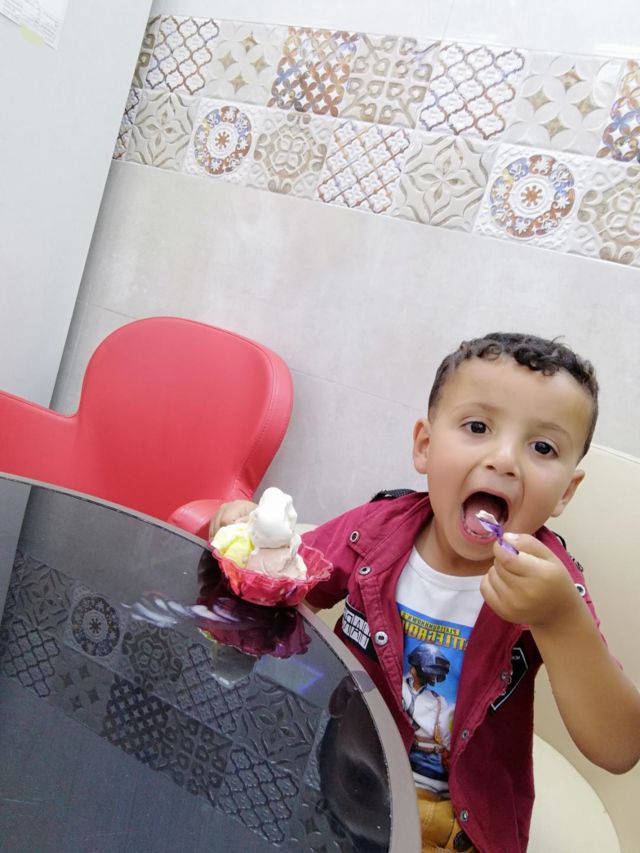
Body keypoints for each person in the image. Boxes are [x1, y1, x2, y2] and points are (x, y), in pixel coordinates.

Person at [209, 332, 640, 853]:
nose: (504, 460)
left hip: (465, 829)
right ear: (425, 446)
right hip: (343, 788)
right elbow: (286, 586)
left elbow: (618, 748)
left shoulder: (550, 581)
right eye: (478, 427)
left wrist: (560, 620)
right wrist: (248, 537)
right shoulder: (373, 532)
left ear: (566, 491)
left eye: (542, 447)